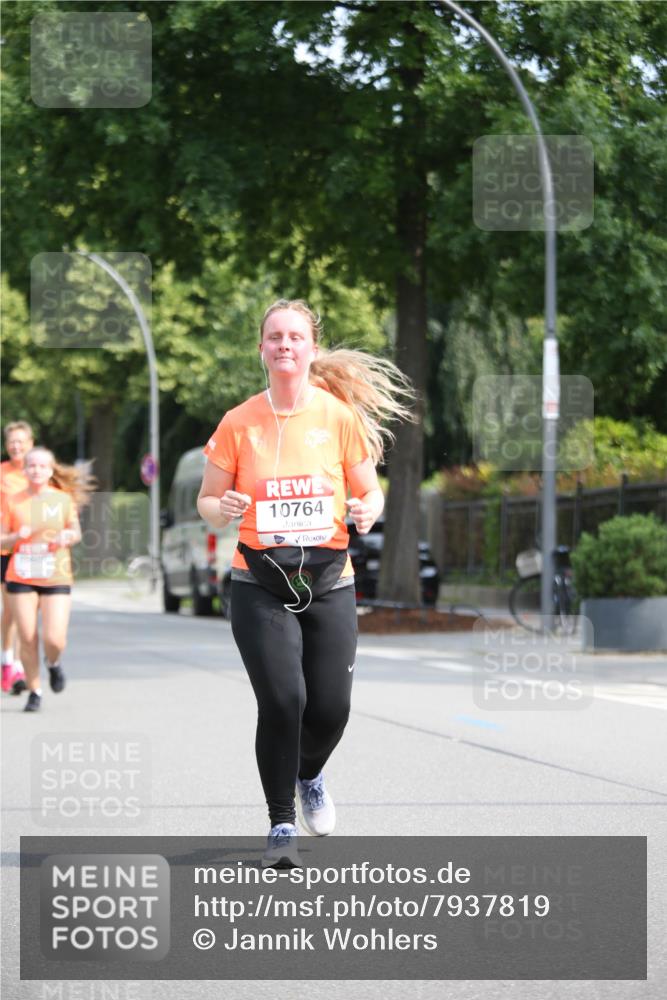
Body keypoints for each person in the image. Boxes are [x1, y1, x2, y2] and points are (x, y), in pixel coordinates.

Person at [197, 299, 414, 866]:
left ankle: (310, 773)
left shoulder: (338, 418)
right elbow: (207, 502)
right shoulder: (238, 422)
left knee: (331, 709)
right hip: (258, 579)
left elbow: (370, 490)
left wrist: (368, 509)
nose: (285, 345)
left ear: (312, 348)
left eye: (295, 337)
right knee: (284, 700)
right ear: (263, 349)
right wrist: (223, 504)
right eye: (275, 337)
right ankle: (280, 825)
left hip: (330, 578)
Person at [0, 447, 94, 712]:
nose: (36, 470)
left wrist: (67, 537)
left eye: (42, 466)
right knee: (28, 636)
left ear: (51, 470)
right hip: (21, 573)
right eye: (31, 466)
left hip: (55, 572)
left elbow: (75, 531)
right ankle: (35, 690)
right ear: (25, 470)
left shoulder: (63, 500)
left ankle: (53, 664)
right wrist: (16, 537)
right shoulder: (12, 501)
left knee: (54, 639)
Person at [1, 421, 34, 694]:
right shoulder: (2, 474)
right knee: (11, 610)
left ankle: (20, 665)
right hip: (6, 549)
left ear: (31, 444)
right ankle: (8, 663)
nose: (16, 446)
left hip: (33, 551)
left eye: (21, 441)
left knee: (29, 613)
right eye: (12, 441)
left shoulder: (39, 473)